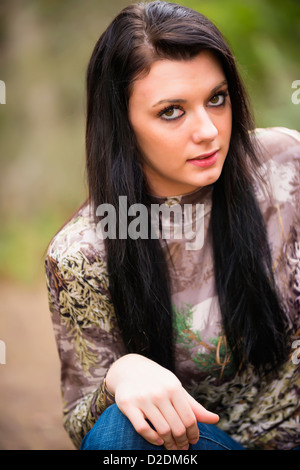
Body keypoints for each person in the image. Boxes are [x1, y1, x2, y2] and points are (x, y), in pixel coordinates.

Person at [45, 1, 300, 451]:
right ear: (121, 125)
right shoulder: (85, 253)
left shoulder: (284, 167)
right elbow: (86, 428)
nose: (208, 130)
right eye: (172, 111)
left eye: (216, 99)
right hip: (206, 446)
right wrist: (119, 377)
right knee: (119, 428)